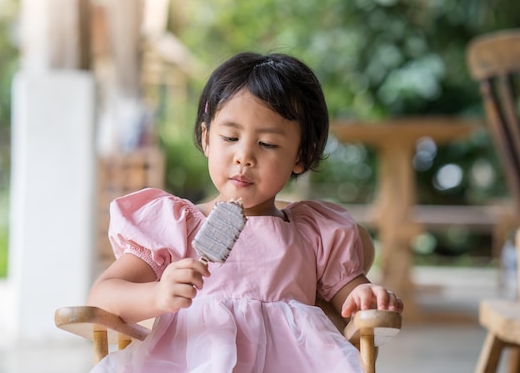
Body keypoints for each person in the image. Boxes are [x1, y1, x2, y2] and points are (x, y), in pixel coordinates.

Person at [87, 52, 404, 373]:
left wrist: (366, 295)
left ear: (301, 155)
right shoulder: (176, 225)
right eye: (230, 137)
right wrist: (158, 295)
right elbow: (103, 296)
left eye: (267, 144)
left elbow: (351, 298)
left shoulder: (313, 231)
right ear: (207, 138)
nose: (244, 156)